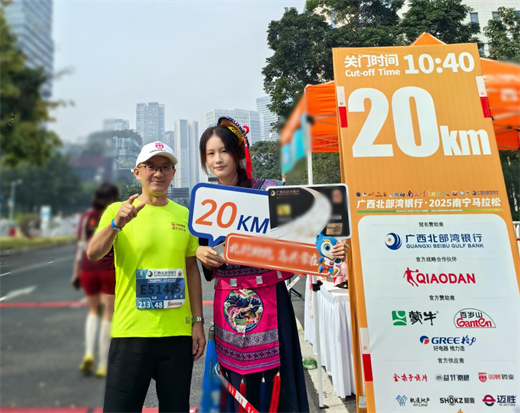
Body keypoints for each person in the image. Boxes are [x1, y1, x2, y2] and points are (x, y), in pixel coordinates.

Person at [196, 117, 347, 413]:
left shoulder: (268, 191)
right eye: (210, 154)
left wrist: (332, 248)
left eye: (224, 151)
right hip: (229, 302)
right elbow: (205, 257)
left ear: (238, 154)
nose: (217, 159)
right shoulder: (206, 202)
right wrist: (201, 253)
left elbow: (310, 228)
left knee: (277, 376)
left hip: (271, 299)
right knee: (233, 376)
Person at [86, 141, 205, 413]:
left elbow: (191, 270)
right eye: (150, 167)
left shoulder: (185, 216)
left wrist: (197, 322)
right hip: (131, 332)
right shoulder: (117, 211)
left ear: (173, 173)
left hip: (176, 335)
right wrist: (116, 224)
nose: (158, 173)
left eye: (165, 167)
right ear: (137, 172)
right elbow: (93, 253)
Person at [71, 183, 119, 377]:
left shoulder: (87, 217)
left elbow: (81, 246)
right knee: (108, 315)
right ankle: (102, 363)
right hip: (108, 268)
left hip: (88, 268)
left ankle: (89, 353)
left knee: (92, 312)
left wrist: (76, 272)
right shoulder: (116, 214)